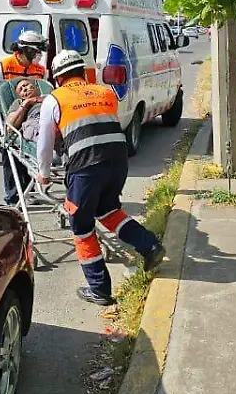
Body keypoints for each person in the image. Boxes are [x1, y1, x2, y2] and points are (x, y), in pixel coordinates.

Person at [35, 50, 166, 306]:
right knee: (107, 210)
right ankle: (149, 246)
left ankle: (100, 289)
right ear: (83, 72)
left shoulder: (54, 99)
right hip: (118, 161)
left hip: (86, 166)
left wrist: (45, 173)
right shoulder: (105, 92)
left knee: (81, 226)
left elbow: (45, 142)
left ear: (58, 78)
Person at [0, 30, 48, 206]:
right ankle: (12, 196)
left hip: (36, 114)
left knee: (25, 157)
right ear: (22, 52)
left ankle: (26, 191)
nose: (37, 56)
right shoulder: (4, 65)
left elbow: (44, 88)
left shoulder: (39, 70)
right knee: (11, 155)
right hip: (12, 115)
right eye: (34, 52)